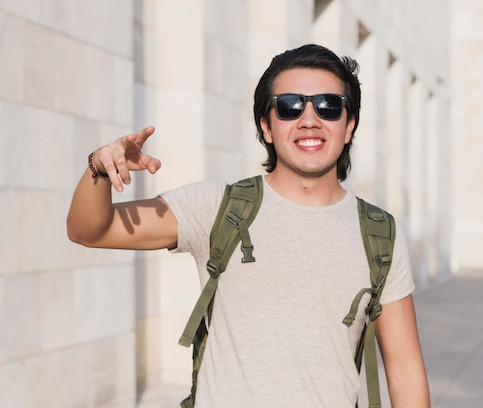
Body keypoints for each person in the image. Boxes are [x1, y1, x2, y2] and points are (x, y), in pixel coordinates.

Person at [67, 44, 430, 407]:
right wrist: (98, 168)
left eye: (328, 106)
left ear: (349, 126)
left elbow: (405, 371)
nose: (308, 119)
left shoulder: (378, 233)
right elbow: (89, 230)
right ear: (266, 127)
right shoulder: (215, 207)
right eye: (289, 105)